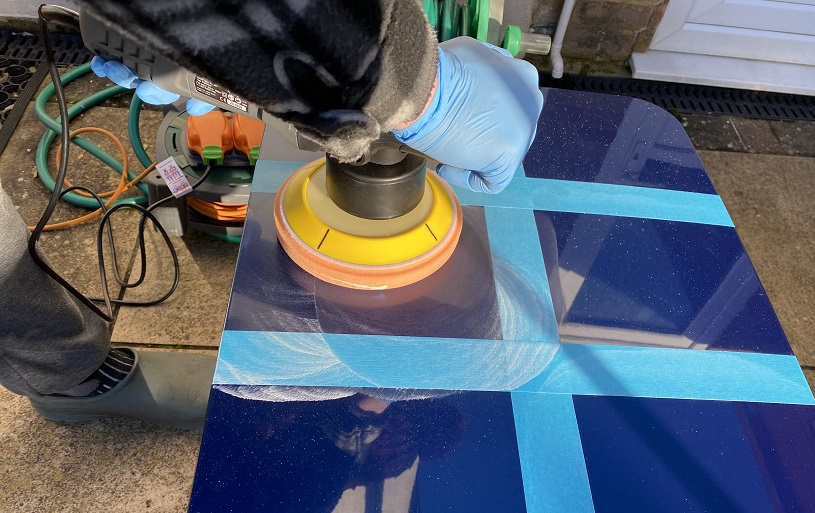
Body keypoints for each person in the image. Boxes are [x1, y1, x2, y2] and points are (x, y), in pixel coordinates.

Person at [0, 0, 544, 428]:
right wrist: (408, 85)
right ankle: (63, 377)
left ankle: (61, 368)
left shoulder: (286, 375)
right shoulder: (279, 367)